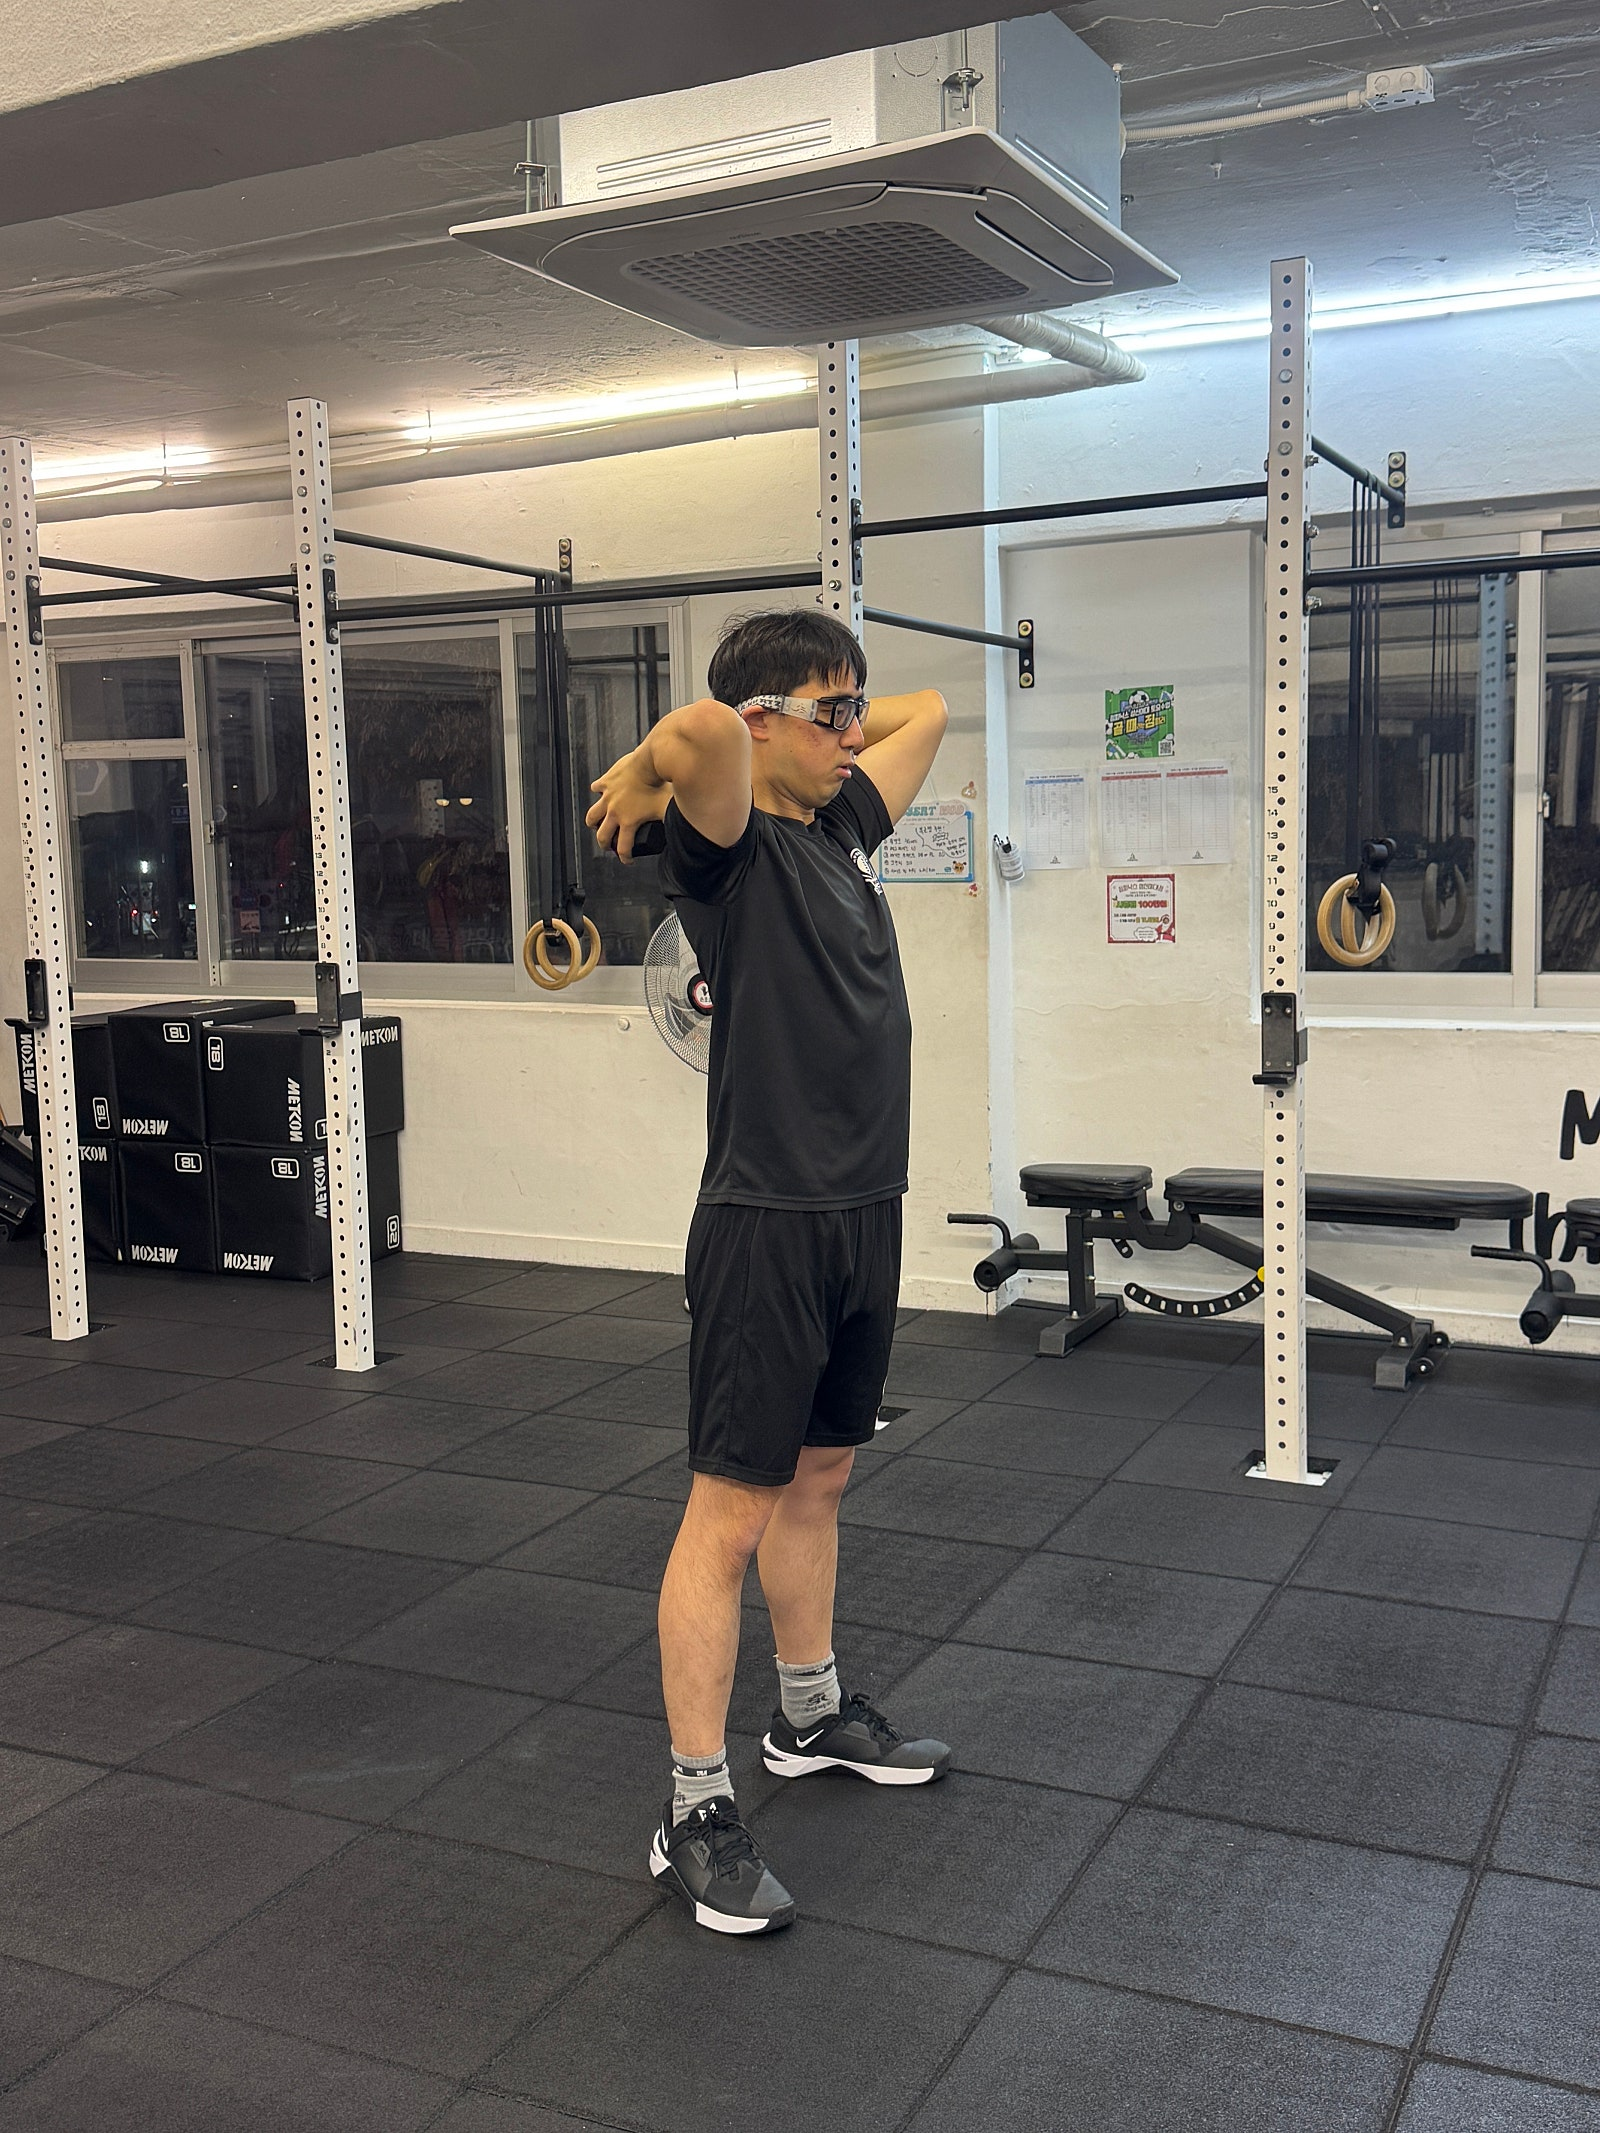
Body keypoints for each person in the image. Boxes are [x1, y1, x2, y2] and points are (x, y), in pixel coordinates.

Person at [586, 608, 952, 1936]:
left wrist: (832, 712)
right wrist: (651, 761)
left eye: (854, 709)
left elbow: (931, 712)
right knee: (729, 1515)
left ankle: (809, 1716)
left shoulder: (842, 828)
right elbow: (699, 728)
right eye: (830, 711)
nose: (857, 732)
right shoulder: (728, 849)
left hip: (864, 1210)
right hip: (767, 1221)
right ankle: (693, 1810)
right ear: (762, 727)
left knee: (822, 1477)